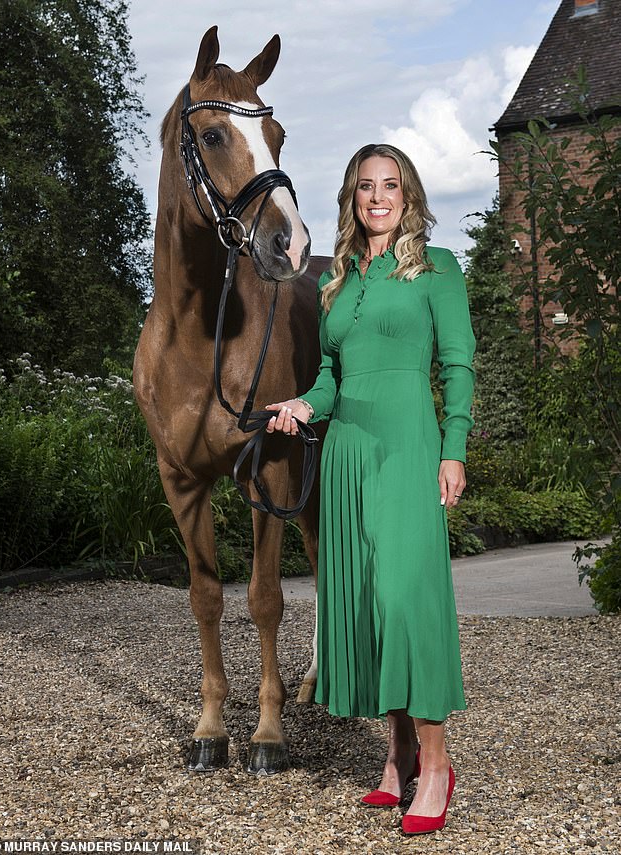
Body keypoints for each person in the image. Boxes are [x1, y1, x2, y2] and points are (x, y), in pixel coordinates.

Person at [266, 143, 475, 836]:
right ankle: (399, 752)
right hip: (349, 449)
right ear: (352, 198)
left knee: (404, 597)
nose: (377, 197)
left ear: (409, 196)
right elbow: (332, 373)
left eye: (390, 186)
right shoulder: (339, 278)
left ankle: (438, 765)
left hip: (409, 443)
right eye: (365, 187)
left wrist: (454, 449)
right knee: (366, 604)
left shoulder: (437, 268)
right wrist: (302, 405)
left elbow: (459, 365)